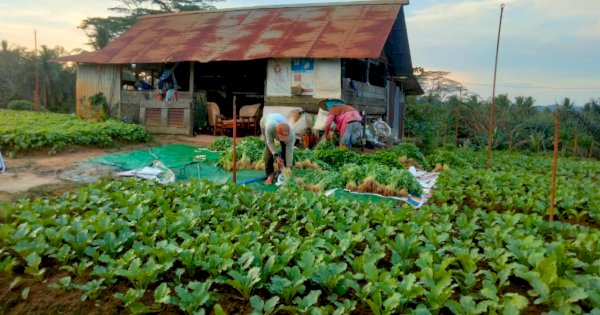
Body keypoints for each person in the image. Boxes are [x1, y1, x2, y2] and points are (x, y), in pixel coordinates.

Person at [260, 113, 295, 185]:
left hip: (279, 121)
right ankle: (269, 175)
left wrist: (288, 167)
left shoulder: (291, 134)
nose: (283, 140)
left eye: (285, 138)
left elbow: (289, 151)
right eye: (282, 139)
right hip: (265, 122)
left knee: (285, 147)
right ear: (276, 133)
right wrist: (276, 156)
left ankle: (284, 171)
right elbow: (270, 142)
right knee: (269, 149)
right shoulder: (270, 128)